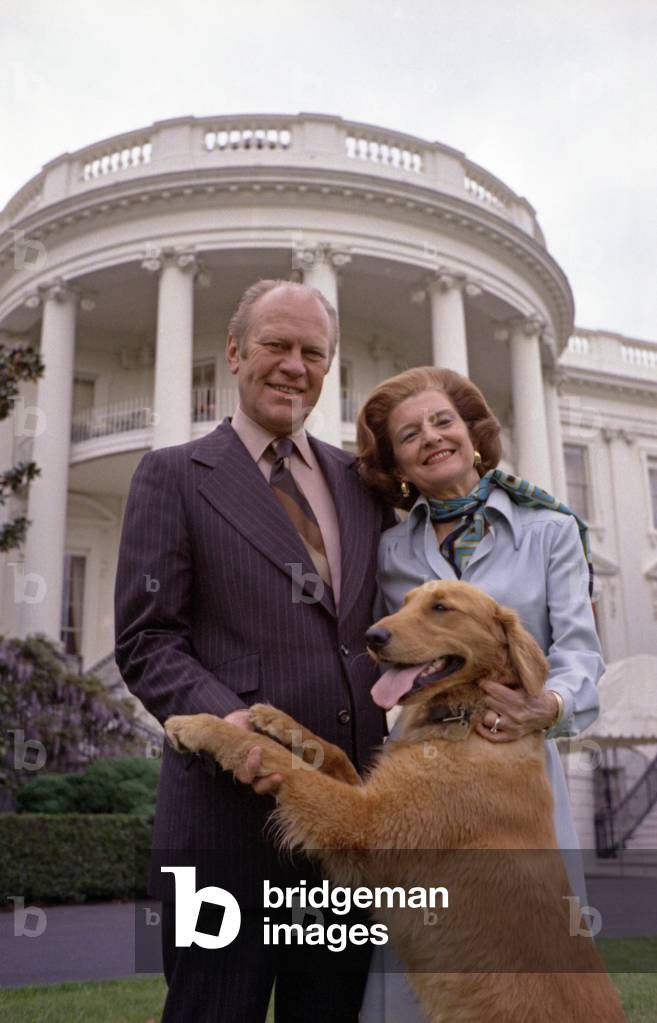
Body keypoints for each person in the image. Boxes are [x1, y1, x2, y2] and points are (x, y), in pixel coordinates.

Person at [114, 280, 391, 1023]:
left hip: (344, 824)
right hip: (223, 823)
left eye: (312, 352)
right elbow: (147, 638)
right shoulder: (172, 475)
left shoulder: (361, 485)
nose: (293, 365)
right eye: (276, 344)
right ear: (234, 353)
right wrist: (233, 728)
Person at [354, 365, 604, 1023]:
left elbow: (578, 651)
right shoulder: (387, 551)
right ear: (398, 463)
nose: (431, 438)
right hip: (425, 782)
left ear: (472, 434)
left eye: (442, 421)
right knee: (422, 977)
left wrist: (544, 706)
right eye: (409, 434)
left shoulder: (547, 529)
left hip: (512, 778)